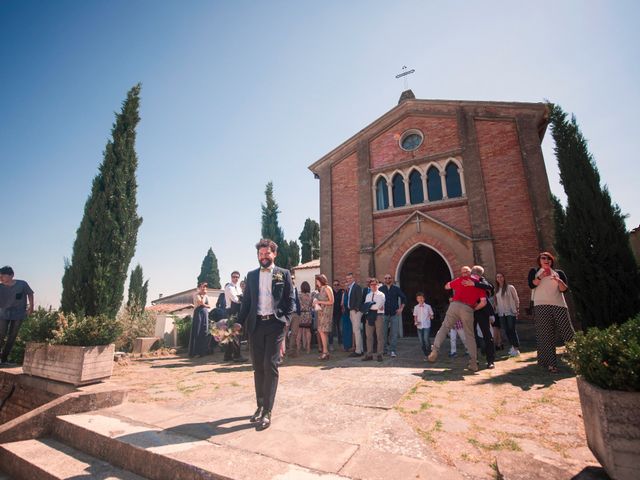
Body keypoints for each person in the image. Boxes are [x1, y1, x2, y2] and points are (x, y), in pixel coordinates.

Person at [235, 239, 295, 430]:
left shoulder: (283, 274)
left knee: (270, 365)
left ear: (274, 254)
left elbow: (290, 301)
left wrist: (284, 320)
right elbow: (246, 303)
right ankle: (260, 406)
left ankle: (268, 411)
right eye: (260, 254)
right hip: (256, 326)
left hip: (275, 325)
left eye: (267, 253)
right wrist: (238, 321)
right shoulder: (251, 275)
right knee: (258, 367)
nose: (263, 257)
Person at [428, 266, 487, 372]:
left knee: (444, 328)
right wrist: (473, 309)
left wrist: (454, 285)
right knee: (469, 336)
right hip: (468, 308)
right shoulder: (478, 285)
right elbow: (483, 302)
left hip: (454, 306)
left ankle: (435, 350)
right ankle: (473, 363)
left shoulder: (459, 280)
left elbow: (446, 287)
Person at [528, 252, 574, 373]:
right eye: (543, 258)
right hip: (541, 306)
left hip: (559, 305)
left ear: (552, 261)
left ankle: (579, 359)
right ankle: (551, 364)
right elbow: (531, 285)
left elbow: (564, 289)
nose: (546, 260)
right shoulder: (534, 271)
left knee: (568, 333)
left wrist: (559, 281)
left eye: (549, 258)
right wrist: (541, 276)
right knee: (546, 335)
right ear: (539, 261)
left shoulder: (559, 273)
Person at [0, 266, 34, 366]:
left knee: (12, 336)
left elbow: (30, 294)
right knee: (1, 335)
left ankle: (4, 359)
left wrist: (31, 307)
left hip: (18, 314)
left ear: (11, 275)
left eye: (3, 276)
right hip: (3, 314)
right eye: (0, 276)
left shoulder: (22, 284)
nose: (1, 278)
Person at [469, 266, 496, 369]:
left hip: (482, 310)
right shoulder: (466, 280)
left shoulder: (481, 280)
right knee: (471, 335)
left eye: (476, 273)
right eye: (473, 272)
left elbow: (490, 287)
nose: (474, 274)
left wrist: (475, 283)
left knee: (487, 335)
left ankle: (490, 361)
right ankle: (474, 360)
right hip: (470, 310)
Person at [379, 274, 406, 358]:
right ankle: (384, 350)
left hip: (394, 314)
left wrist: (401, 308)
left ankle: (392, 351)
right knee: (383, 333)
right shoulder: (381, 289)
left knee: (394, 333)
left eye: (389, 278)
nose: (387, 279)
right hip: (384, 314)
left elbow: (404, 298)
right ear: (384, 279)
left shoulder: (396, 289)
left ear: (392, 279)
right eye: (386, 278)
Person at [495, 273, 521, 357]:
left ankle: (516, 348)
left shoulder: (510, 287)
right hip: (501, 313)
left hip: (510, 312)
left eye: (501, 277)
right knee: (506, 330)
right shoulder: (497, 289)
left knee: (512, 329)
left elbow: (516, 299)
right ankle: (512, 347)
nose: (499, 278)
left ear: (504, 277)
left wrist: (517, 309)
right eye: (497, 277)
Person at [362, 278, 385, 362]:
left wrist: (370, 305)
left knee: (379, 335)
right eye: (372, 284)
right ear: (370, 286)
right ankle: (369, 354)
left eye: (375, 284)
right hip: (369, 316)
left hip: (379, 315)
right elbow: (365, 306)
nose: (373, 286)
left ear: (378, 285)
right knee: (369, 336)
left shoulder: (381, 295)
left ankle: (380, 354)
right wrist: (371, 305)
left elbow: (378, 306)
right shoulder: (368, 295)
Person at [313, 274, 334, 360]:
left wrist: (320, 301)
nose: (316, 282)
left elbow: (331, 301)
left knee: (322, 331)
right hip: (321, 312)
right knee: (322, 332)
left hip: (326, 313)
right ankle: (325, 352)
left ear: (321, 280)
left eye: (317, 281)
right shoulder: (320, 289)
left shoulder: (327, 288)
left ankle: (325, 352)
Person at [189, 283, 212, 357]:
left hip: (205, 313)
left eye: (205, 287)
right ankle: (195, 352)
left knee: (204, 331)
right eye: (203, 287)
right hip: (198, 313)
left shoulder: (206, 296)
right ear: (199, 288)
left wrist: (205, 303)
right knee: (197, 331)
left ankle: (203, 351)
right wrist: (203, 298)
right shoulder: (196, 295)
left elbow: (209, 306)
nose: (204, 289)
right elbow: (200, 303)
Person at [345, 273, 364, 357]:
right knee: (356, 331)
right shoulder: (349, 288)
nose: (348, 280)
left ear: (353, 278)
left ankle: (358, 351)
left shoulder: (357, 287)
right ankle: (361, 349)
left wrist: (356, 309)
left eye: (350, 278)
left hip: (356, 311)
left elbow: (360, 298)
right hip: (351, 311)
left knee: (356, 331)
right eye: (347, 279)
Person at [413, 292, 434, 360]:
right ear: (417, 299)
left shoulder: (428, 306)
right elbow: (415, 316)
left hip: (426, 325)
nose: (420, 299)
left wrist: (431, 316)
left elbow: (431, 315)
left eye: (421, 298)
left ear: (424, 298)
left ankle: (429, 354)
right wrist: (416, 321)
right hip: (419, 326)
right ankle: (426, 354)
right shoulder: (416, 307)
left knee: (426, 339)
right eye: (419, 298)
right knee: (421, 341)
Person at [296, 281, 313, 354]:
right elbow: (312, 305)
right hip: (308, 314)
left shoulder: (299, 295)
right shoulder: (311, 295)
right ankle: (308, 348)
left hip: (301, 314)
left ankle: (298, 348)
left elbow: (298, 304)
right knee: (308, 331)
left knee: (299, 331)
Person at [329, 280, 343, 351]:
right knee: (331, 330)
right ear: (333, 286)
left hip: (340, 314)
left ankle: (340, 343)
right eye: (335, 285)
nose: (336, 286)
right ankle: (331, 344)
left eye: (337, 285)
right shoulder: (331, 293)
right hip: (332, 313)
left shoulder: (341, 292)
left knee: (340, 329)